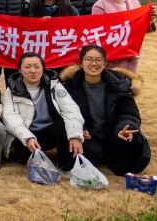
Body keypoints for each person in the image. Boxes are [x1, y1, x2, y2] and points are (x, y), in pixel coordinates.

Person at [61, 45, 150, 175]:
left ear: (105, 63)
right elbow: (64, 113)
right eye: (89, 59)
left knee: (132, 139)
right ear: (81, 62)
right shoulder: (69, 86)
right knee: (87, 150)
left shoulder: (119, 84)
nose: (94, 63)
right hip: (88, 136)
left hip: (113, 133)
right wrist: (79, 128)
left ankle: (117, 163)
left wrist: (124, 127)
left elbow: (129, 113)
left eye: (98, 60)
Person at [2, 52, 85, 171]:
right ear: (20, 70)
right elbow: (10, 118)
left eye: (37, 67)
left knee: (64, 126)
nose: (33, 71)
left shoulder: (54, 85)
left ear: (43, 68)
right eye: (27, 67)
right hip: (25, 136)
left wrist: (75, 136)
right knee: (29, 162)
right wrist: (28, 137)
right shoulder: (12, 90)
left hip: (49, 133)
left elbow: (71, 110)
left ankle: (67, 166)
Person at [91, 0, 157, 71]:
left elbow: (140, 29)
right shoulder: (100, 6)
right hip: (111, 55)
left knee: (130, 78)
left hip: (132, 53)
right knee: (114, 79)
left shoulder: (135, 2)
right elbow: (97, 33)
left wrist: (150, 19)